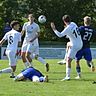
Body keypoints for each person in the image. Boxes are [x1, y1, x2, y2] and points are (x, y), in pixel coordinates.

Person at [50, 15, 83, 80]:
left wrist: (54, 29)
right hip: (80, 43)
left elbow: (60, 35)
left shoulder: (67, 28)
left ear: (64, 21)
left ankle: (67, 76)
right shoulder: (73, 23)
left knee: (69, 60)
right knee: (68, 44)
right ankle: (64, 60)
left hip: (75, 45)